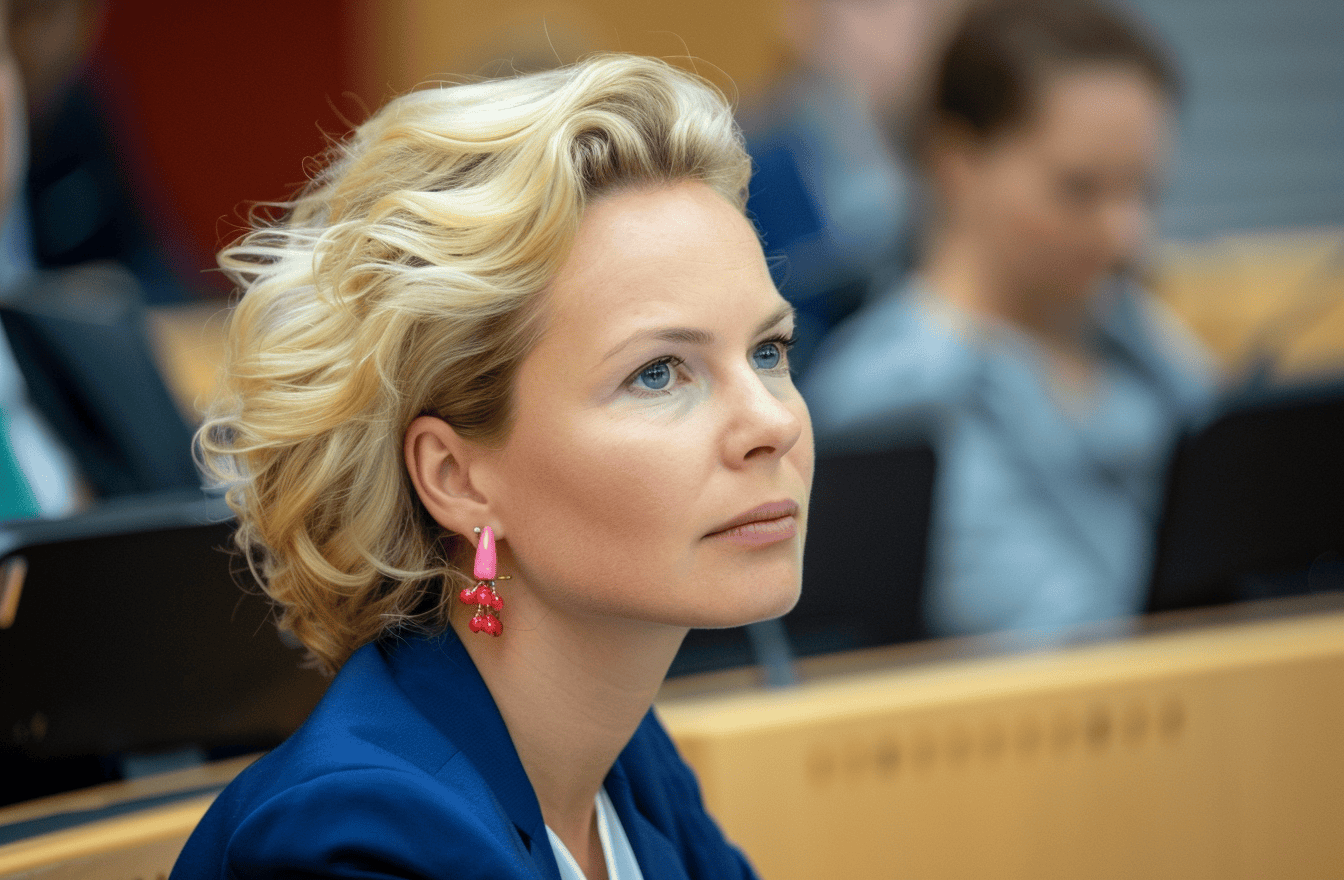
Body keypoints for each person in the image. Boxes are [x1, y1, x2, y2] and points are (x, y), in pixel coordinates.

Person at [170, 54, 813, 880]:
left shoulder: (630, 768)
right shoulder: (350, 838)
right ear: (456, 478)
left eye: (769, 350)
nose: (772, 423)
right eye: (658, 373)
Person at [803, 0, 1215, 638]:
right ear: (957, 164)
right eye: (1079, 189)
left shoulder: (1136, 336)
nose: (1127, 235)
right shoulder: (892, 397)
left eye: (1144, 191)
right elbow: (1065, 644)